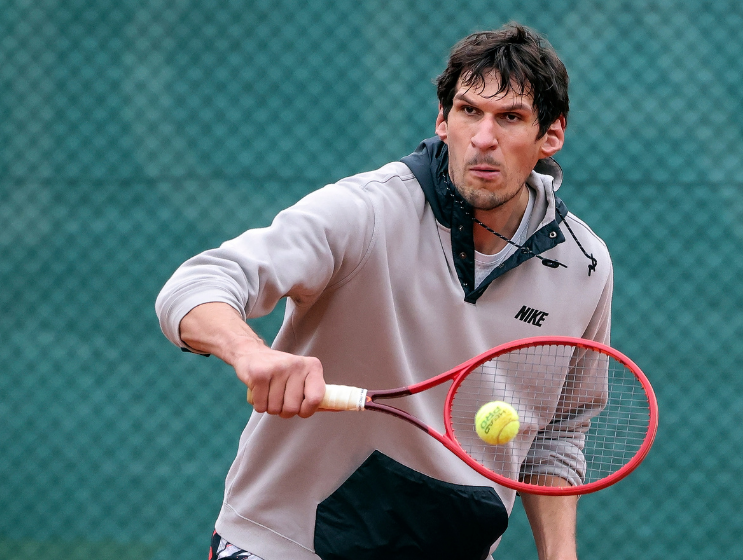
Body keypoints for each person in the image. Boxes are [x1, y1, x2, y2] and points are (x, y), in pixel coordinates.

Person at [156, 22, 612, 560]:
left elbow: (557, 432)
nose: (484, 139)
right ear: (443, 120)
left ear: (550, 135)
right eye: (469, 112)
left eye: (510, 118)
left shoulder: (584, 266)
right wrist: (250, 353)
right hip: (285, 546)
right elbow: (197, 283)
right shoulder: (365, 211)